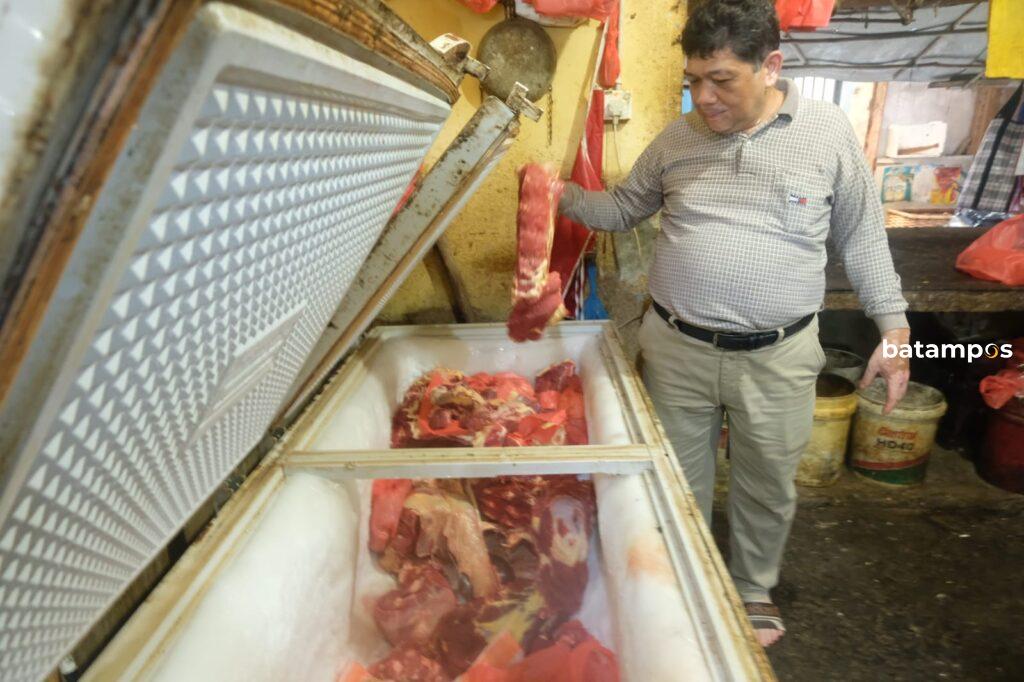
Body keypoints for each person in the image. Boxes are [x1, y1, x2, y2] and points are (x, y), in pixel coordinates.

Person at [558, 0, 911, 647]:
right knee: (676, 481)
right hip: (678, 348)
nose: (704, 97)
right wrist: (558, 196)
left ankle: (751, 589)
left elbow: (862, 238)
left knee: (766, 484)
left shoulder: (827, 133)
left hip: (779, 354)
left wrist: (895, 331)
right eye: (694, 80)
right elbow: (623, 209)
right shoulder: (678, 139)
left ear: (770, 66)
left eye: (721, 80)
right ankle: (686, 584)